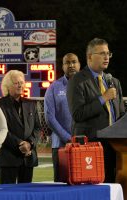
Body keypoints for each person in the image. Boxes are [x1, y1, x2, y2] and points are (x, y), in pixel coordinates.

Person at [67, 38, 125, 183]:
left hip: (113, 146)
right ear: (90, 57)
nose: (106, 57)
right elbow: (78, 114)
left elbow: (121, 114)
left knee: (111, 187)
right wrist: (103, 98)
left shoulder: (114, 82)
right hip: (90, 147)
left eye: (108, 53)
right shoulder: (78, 80)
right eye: (102, 53)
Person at [0, 70, 41, 184]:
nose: (20, 85)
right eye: (16, 83)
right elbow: (1, 130)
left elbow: (37, 128)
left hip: (28, 157)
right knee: (8, 194)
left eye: (22, 82)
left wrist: (29, 144)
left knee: (26, 193)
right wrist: (20, 144)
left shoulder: (31, 104)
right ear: (8, 86)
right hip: (9, 158)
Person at [44, 53, 81, 182]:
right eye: (67, 62)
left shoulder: (88, 85)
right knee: (61, 184)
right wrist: (68, 138)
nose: (71, 65)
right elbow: (50, 118)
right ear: (63, 66)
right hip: (61, 146)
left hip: (85, 145)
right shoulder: (53, 88)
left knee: (85, 183)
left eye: (74, 62)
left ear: (79, 64)